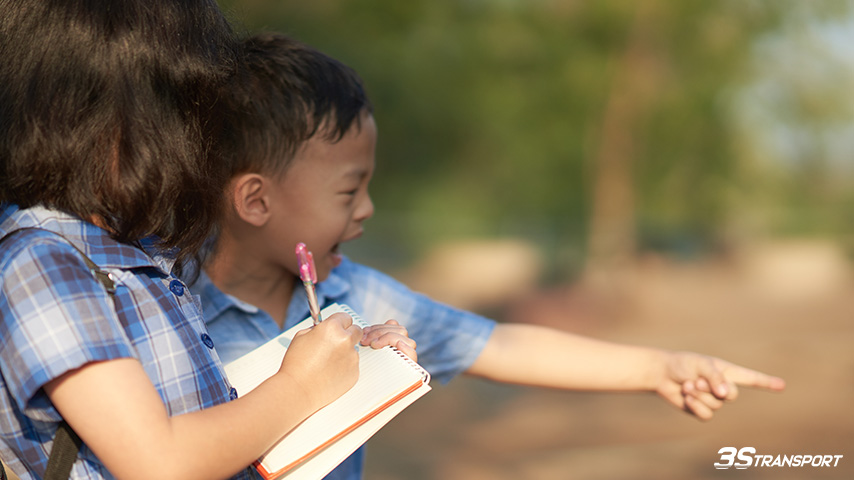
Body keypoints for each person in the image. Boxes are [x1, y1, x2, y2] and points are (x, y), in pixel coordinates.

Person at [194, 32, 786, 480]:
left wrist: (658, 368)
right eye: (349, 191)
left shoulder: (360, 300)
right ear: (255, 199)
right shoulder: (167, 305)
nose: (368, 209)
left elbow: (499, 345)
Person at [0, 3, 413, 479]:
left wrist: (339, 363)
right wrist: (301, 386)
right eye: (186, 108)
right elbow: (160, 462)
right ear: (95, 116)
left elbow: (206, 423)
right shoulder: (43, 264)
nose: (202, 137)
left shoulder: (134, 246)